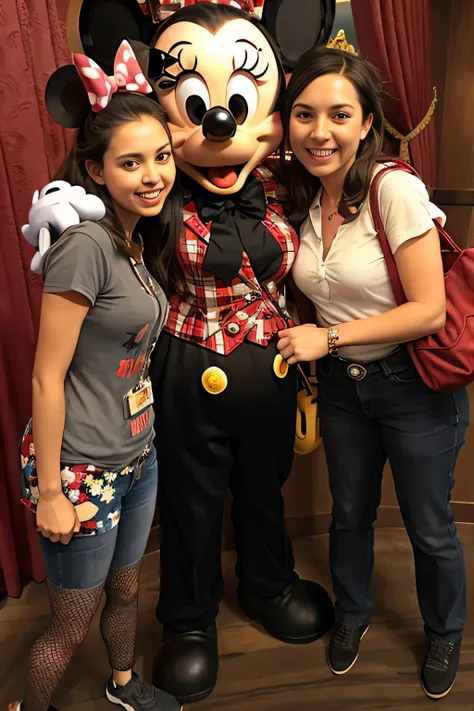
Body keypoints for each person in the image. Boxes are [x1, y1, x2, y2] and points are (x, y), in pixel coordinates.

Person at [277, 46, 470, 701]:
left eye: (338, 115)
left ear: (366, 124)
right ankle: (352, 617)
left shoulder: (394, 187)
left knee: (428, 524)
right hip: (342, 388)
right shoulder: (301, 195)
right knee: (349, 515)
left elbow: (427, 310)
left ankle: (445, 630)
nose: (319, 131)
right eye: (304, 115)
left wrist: (325, 335)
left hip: (412, 387)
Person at [10, 41, 182, 711]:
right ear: (94, 169)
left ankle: (120, 685)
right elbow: (45, 378)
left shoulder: (133, 238)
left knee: (127, 588)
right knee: (68, 622)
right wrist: (50, 490)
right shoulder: (84, 248)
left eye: (161, 157)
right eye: (131, 162)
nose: (152, 174)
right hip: (82, 467)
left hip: (137, 455)